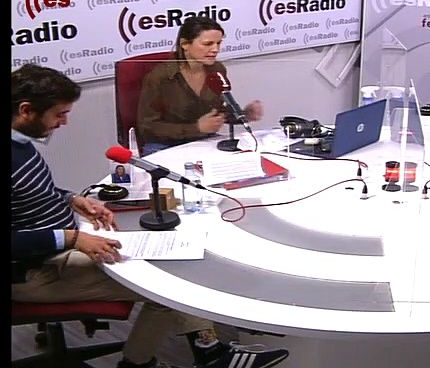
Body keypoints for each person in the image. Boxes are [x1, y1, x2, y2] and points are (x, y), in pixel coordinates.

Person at [11, 64, 288, 368]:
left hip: (60, 244)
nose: (64, 122)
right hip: (33, 270)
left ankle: (208, 350)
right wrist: (74, 238)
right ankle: (143, 363)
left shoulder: (20, 143)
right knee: (166, 288)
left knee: (171, 261)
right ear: (26, 110)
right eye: (59, 114)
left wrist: (71, 199)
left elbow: (26, 190)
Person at [137, 16, 263, 156]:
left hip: (203, 141)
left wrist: (243, 115)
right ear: (185, 44)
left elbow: (216, 112)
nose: (215, 49)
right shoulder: (160, 77)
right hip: (165, 145)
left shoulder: (217, 69)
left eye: (218, 43)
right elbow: (147, 127)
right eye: (208, 44)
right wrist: (196, 128)